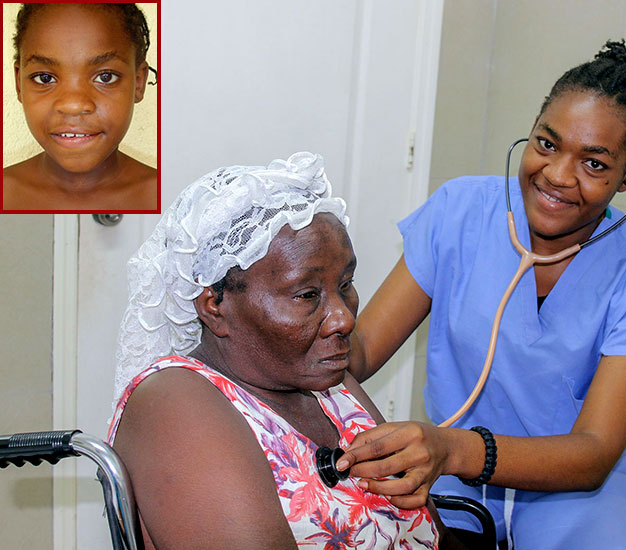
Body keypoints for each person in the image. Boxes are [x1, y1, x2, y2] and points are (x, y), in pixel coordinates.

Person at [342, 33, 626, 549]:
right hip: (448, 481)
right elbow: (363, 351)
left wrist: (453, 450)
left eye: (594, 163)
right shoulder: (459, 211)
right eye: (547, 144)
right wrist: (297, 314)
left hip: (575, 493)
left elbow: (595, 451)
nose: (556, 175)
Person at [107, 154, 446, 549]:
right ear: (214, 305)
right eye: (307, 295)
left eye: (346, 284)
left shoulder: (331, 387)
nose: (344, 319)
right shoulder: (175, 404)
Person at [2, 3, 157, 211]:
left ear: (138, 83)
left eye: (105, 77)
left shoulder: (177, 198)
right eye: (45, 78)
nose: (73, 105)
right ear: (19, 83)